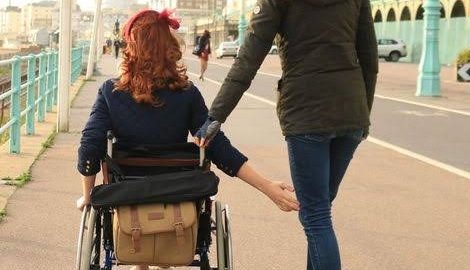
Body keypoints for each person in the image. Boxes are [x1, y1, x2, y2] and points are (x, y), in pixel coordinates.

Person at [76, 9, 299, 270]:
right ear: (169, 47)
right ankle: (164, 252)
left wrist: (89, 198)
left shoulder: (110, 93)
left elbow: (89, 148)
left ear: (131, 47)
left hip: (127, 192)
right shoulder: (187, 94)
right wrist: (266, 186)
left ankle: (142, 258)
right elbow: (217, 147)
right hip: (178, 191)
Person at [195, 0, 379, 269]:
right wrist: (364, 115)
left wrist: (216, 116)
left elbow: (248, 61)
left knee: (316, 216)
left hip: (306, 113)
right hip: (350, 112)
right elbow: (369, 60)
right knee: (319, 212)